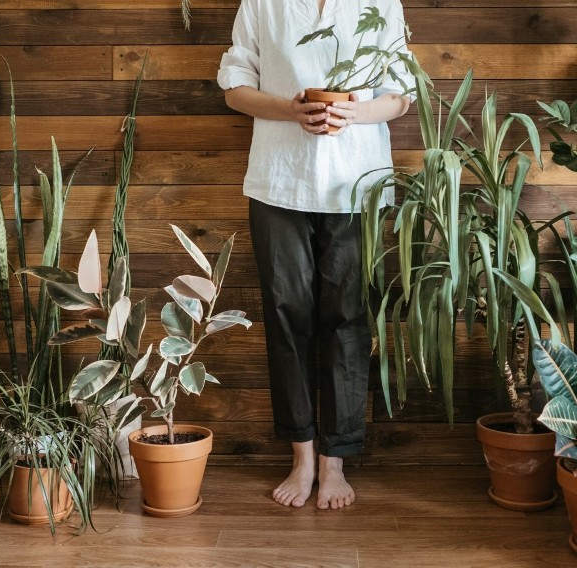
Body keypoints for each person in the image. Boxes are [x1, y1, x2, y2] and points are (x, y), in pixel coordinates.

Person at [217, 0, 413, 510]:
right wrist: (290, 109)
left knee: (348, 318)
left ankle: (336, 461)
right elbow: (235, 85)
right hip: (278, 181)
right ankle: (302, 457)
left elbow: (401, 93)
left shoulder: (379, 3)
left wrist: (354, 111)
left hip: (358, 183)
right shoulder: (261, 3)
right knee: (286, 317)